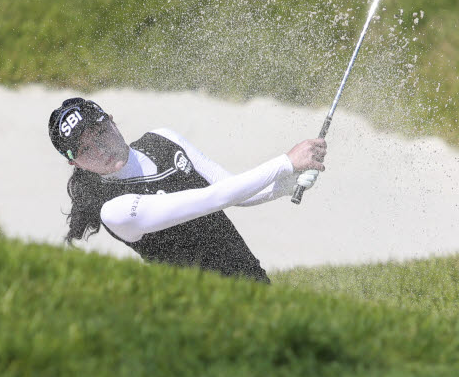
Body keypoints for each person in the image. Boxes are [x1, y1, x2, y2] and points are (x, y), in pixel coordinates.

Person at [47, 97, 324, 283]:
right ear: (75, 162)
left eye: (99, 133)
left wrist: (286, 184)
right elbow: (211, 199)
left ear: (111, 120)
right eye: (85, 149)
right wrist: (285, 162)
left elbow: (232, 190)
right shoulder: (114, 209)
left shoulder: (163, 139)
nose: (100, 149)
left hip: (250, 279)